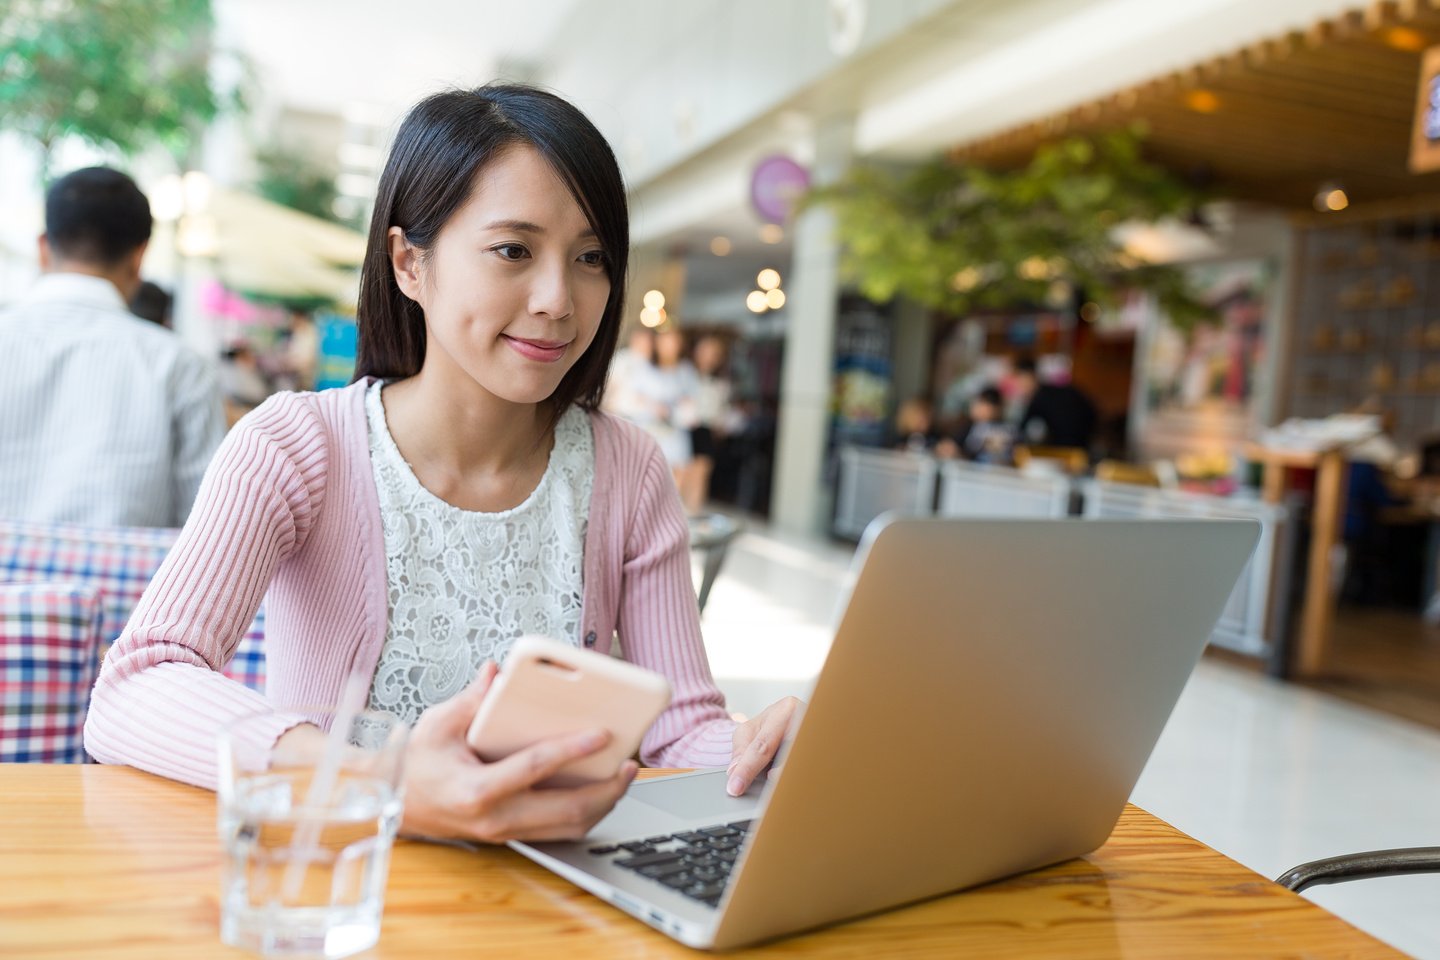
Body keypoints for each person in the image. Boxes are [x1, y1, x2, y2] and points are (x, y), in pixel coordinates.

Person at [84, 84, 799, 845]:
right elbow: (137, 687)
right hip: (344, 893)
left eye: (591, 257)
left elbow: (678, 732)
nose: (559, 299)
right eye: (513, 250)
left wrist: (764, 750)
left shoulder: (629, 469)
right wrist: (371, 781)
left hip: (554, 898)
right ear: (409, 263)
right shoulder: (297, 447)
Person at [0, 167, 225, 527]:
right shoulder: (180, 367)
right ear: (139, 256)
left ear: (43, 247)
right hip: (133, 585)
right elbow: (204, 525)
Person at [681, 333, 741, 512]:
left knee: (701, 473)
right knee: (682, 474)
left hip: (705, 430)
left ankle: (692, 514)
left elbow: (722, 412)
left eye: (714, 353)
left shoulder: (721, 383)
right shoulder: (684, 373)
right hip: (683, 429)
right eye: (705, 351)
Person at [1011, 356, 1097, 451]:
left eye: (1019, 381)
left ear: (1028, 376)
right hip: (1080, 447)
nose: (1019, 386)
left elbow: (1021, 429)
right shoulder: (1058, 390)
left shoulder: (1039, 398)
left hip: (1065, 450)